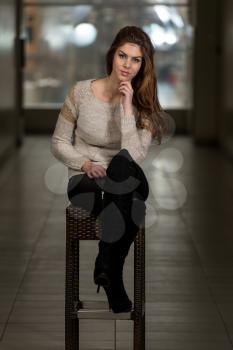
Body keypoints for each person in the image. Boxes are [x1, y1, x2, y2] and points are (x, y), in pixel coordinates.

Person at [51, 25, 166, 313]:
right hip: (86, 181)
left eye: (136, 59)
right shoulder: (80, 92)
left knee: (121, 164)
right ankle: (112, 275)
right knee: (131, 207)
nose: (127, 65)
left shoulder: (144, 105)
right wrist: (85, 163)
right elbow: (59, 142)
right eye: (122, 56)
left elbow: (134, 156)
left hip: (127, 178)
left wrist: (128, 108)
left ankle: (105, 264)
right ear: (112, 55)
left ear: (144, 64)